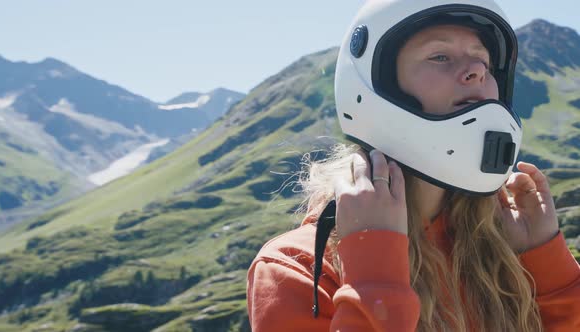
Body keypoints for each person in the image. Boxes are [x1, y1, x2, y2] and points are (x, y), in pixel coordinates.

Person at [247, 0, 580, 331]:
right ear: (380, 85)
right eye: (440, 56)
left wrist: (550, 270)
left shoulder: (504, 242)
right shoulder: (297, 266)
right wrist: (373, 268)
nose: (477, 71)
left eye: (484, 61)